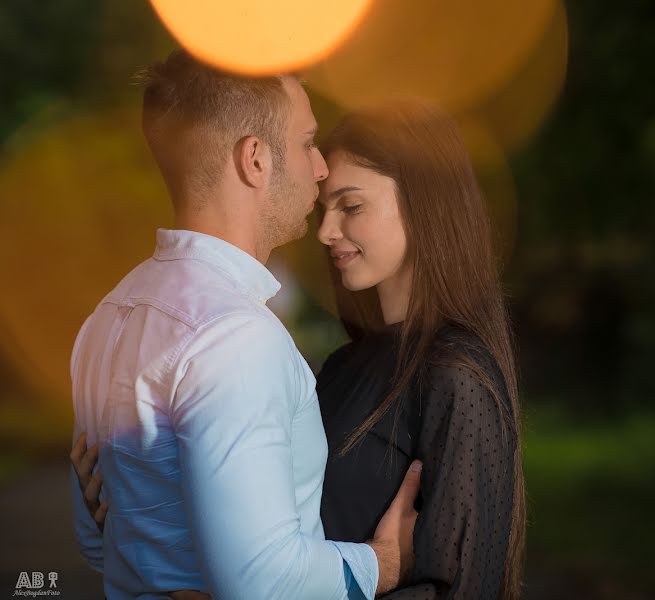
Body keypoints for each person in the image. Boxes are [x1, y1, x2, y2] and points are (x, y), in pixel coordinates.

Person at [68, 49, 419, 600]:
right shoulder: (237, 339)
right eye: (307, 144)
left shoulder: (108, 318)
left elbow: (99, 542)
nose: (321, 167)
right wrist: (383, 565)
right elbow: (261, 583)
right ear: (255, 159)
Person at [315, 100, 526, 599]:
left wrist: (377, 569)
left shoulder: (455, 374)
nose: (325, 231)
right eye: (323, 209)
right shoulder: (340, 368)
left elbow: (465, 588)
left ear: (423, 200)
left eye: (351, 206)